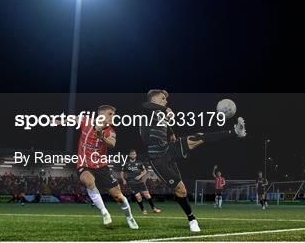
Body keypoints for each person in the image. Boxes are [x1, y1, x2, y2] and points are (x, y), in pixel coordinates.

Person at [140, 89, 246, 232]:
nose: (166, 100)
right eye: (163, 98)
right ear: (153, 100)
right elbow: (146, 106)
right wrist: (165, 110)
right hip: (158, 159)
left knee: (199, 136)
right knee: (180, 191)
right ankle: (191, 218)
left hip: (169, 149)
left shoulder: (160, 113)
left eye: (166, 99)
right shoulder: (147, 112)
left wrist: (171, 133)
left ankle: (235, 131)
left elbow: (163, 123)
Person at [59, 105, 139, 229]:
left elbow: (112, 144)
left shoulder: (110, 131)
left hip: (102, 167)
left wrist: (102, 137)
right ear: (101, 115)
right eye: (110, 114)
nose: (114, 116)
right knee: (89, 182)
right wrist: (59, 121)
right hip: (84, 164)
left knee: (119, 197)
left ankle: (129, 217)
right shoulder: (86, 121)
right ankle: (104, 212)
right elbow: (73, 118)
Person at [121, 149, 162, 215]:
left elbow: (145, 171)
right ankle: (143, 210)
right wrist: (123, 180)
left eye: (134, 154)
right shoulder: (126, 164)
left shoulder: (139, 163)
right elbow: (122, 172)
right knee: (139, 198)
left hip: (140, 182)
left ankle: (154, 208)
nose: (133, 155)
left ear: (136, 155)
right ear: (129, 155)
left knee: (147, 195)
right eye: (131, 154)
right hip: (132, 183)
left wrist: (140, 176)